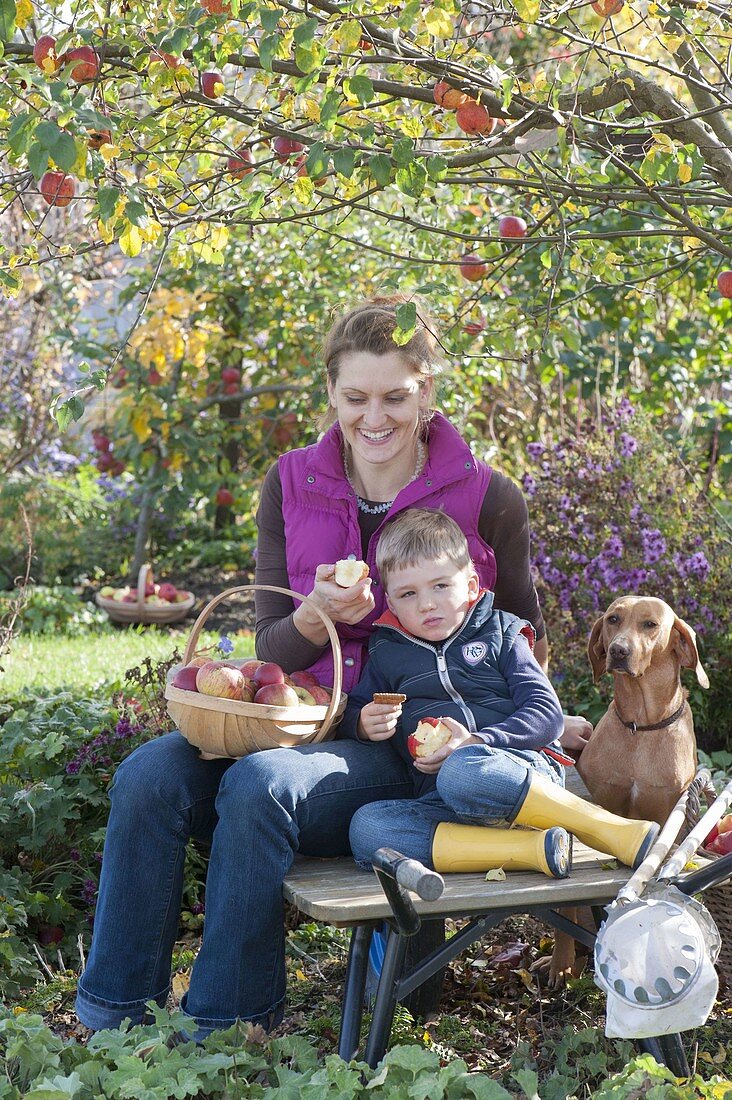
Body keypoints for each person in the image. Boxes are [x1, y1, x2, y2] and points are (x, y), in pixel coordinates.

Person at [75, 294, 590, 1040]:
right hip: (296, 721)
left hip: (400, 747)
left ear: (427, 391)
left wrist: (514, 724)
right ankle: (112, 1016)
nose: (373, 417)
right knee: (149, 776)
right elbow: (270, 649)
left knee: (260, 785)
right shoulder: (290, 481)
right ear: (331, 394)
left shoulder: (486, 494)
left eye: (394, 396)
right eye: (355, 397)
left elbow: (522, 636)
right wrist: (317, 618)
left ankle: (228, 1025)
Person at [341, 508, 658, 878]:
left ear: (472, 586)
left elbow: (546, 714)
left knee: (462, 768)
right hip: (448, 802)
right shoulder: (387, 651)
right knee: (367, 827)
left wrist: (476, 741)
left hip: (519, 772)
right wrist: (362, 723)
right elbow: (358, 707)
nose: (426, 604)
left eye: (440, 586)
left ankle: (610, 830)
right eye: (408, 594)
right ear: (391, 604)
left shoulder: (501, 633)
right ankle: (532, 850)